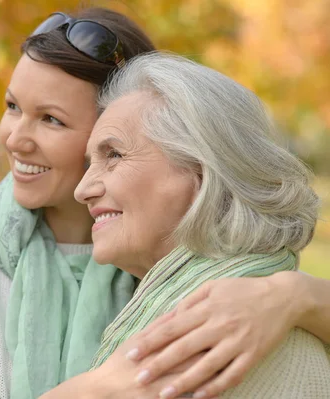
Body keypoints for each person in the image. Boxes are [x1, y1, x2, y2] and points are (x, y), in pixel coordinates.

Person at [0, 8, 330, 399]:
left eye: (52, 119)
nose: (14, 138)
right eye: (12, 106)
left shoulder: (206, 292)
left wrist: (293, 296)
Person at [67, 52, 330, 398]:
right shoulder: (249, 304)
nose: (81, 190)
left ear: (200, 174)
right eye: (90, 163)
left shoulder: (219, 337)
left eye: (113, 155)